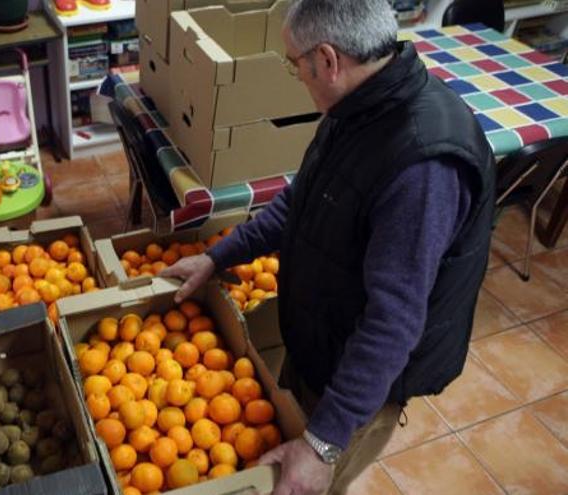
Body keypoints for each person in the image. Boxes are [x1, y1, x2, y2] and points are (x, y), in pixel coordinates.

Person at [160, 0, 496, 494]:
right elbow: (303, 197)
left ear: (328, 59)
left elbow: (392, 322)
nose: (296, 75)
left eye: (294, 63)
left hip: (362, 373)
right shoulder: (359, 106)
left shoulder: (422, 168)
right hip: (324, 336)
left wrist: (322, 444)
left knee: (308, 482)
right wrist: (218, 257)